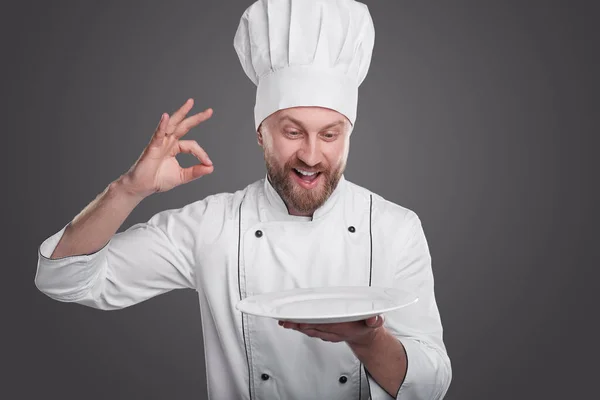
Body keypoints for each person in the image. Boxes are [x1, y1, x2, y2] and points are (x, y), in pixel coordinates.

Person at [34, 0, 452, 399]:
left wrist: (369, 340)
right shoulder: (210, 226)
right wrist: (128, 189)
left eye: (329, 134)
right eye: (292, 132)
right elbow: (64, 280)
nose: (310, 155)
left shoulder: (395, 229)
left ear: (349, 136)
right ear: (260, 133)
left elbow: (432, 384)